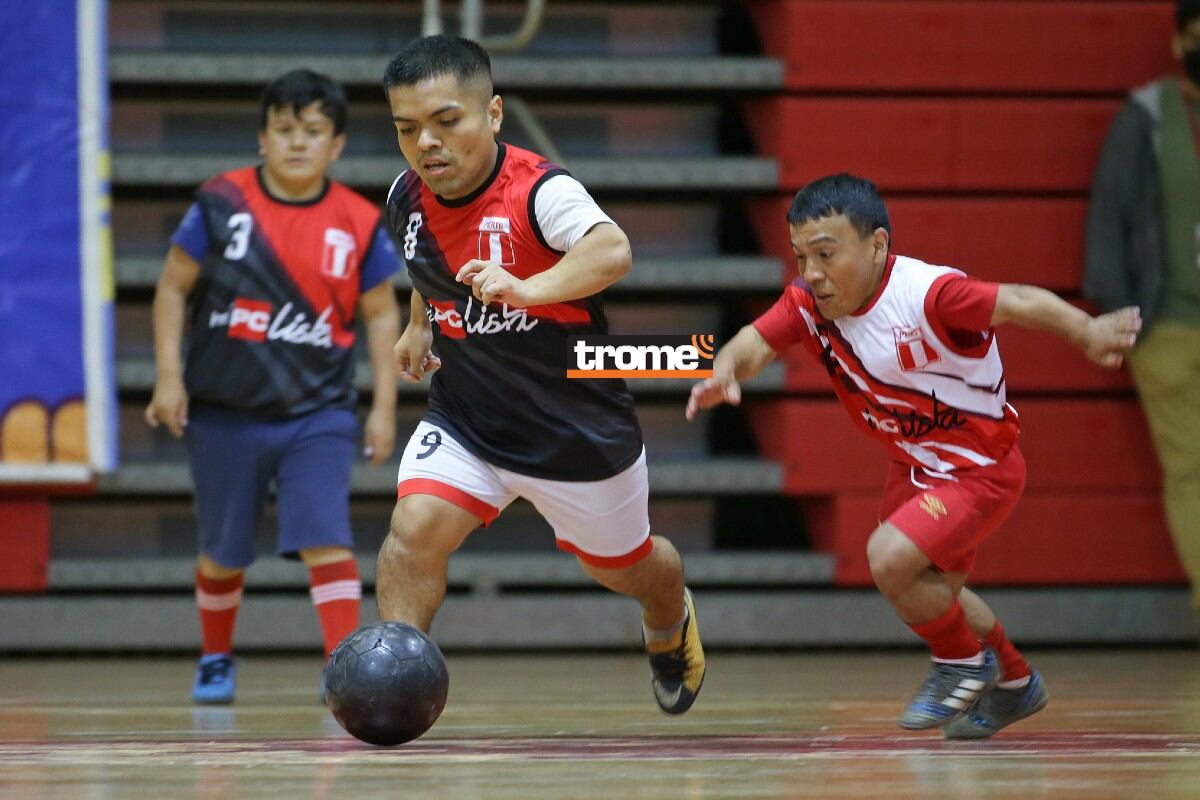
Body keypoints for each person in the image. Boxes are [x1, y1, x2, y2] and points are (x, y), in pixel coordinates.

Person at [688, 174, 1140, 737]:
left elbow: (1021, 301)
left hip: (980, 471)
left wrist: (1088, 330)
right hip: (916, 465)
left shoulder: (930, 295)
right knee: (930, 590)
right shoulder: (808, 303)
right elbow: (756, 340)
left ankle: (961, 665)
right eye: (801, 256)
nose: (812, 273)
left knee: (888, 558)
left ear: (877, 245)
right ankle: (1016, 682)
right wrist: (725, 368)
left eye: (826, 254)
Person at [375, 35, 705, 714]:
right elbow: (426, 263)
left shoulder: (541, 190)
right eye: (407, 128)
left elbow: (613, 249)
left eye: (446, 121)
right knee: (412, 531)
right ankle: (395, 688)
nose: (426, 144)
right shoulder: (406, 196)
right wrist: (417, 323)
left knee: (628, 570)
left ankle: (669, 618)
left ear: (493, 114)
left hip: (575, 430)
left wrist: (529, 288)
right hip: (467, 419)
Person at [144, 69, 402, 703]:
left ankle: (341, 669)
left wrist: (384, 408)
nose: (297, 143)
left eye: (313, 131)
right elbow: (172, 288)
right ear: (262, 137)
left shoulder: (359, 220)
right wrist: (169, 378)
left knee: (326, 536)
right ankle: (214, 659)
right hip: (223, 411)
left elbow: (381, 315)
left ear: (336, 145)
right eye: (284, 129)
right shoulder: (221, 202)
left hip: (318, 412)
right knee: (223, 552)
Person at [1085, 0, 1200, 615]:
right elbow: (1110, 216)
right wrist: (1118, 316)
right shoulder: (1148, 116)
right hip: (1169, 325)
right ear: (1179, 41)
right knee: (1191, 471)